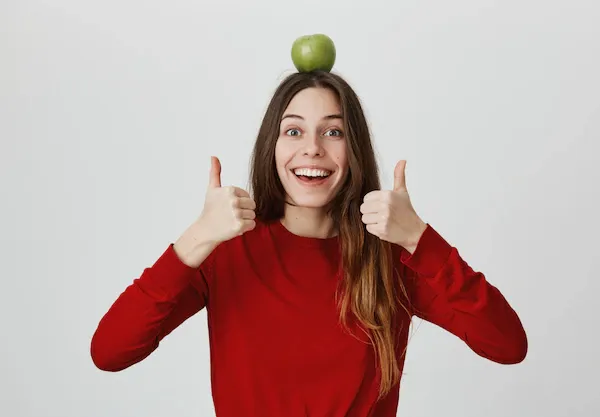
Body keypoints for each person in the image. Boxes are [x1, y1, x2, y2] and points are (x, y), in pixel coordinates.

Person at [90, 70, 527, 416]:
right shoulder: (227, 252)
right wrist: (196, 238)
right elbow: (110, 351)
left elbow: (507, 345)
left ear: (353, 149)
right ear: (272, 146)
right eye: (294, 131)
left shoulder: (389, 258)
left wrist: (420, 239)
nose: (313, 148)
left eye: (333, 132)